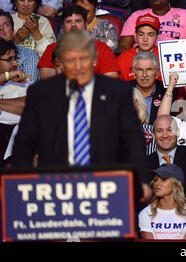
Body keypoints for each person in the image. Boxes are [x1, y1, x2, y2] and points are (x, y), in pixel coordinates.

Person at [11, 30, 148, 205]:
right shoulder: (41, 93)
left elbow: (133, 140)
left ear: (93, 60)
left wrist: (142, 180)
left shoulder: (118, 91)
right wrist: (19, 182)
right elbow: (24, 143)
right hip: (55, 186)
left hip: (106, 184)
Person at [144, 114, 186, 211]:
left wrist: (170, 204)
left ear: (178, 132)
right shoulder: (145, 163)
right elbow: (145, 195)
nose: (165, 135)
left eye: (169, 130)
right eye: (159, 131)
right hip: (155, 215)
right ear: (153, 135)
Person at [37, 6, 120, 79]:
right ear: (63, 26)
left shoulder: (101, 48)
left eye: (78, 21)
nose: (73, 25)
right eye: (69, 21)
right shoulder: (52, 49)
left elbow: (111, 80)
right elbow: (46, 80)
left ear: (86, 24)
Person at [138, 164, 186, 239]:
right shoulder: (145, 213)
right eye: (155, 180)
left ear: (177, 184)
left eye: (163, 179)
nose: (156, 183)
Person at [117, 0, 186, 54]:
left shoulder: (185, 15)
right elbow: (124, 46)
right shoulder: (136, 15)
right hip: (142, 61)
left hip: (174, 60)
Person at [0, 39, 30, 167]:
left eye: (14, 58)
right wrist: (6, 76)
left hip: (9, 137)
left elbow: (28, 107)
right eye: (9, 59)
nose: (15, 63)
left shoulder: (21, 82)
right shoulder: (10, 76)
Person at [117, 14, 160, 82]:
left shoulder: (164, 56)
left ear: (157, 36)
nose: (145, 39)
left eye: (150, 35)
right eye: (141, 34)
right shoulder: (124, 58)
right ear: (135, 35)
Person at [0, 9, 40, 82]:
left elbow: (28, 87)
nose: (1, 29)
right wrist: (9, 75)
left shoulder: (29, 55)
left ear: (13, 31)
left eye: (5, 25)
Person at [132, 51, 169, 125]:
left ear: (157, 73)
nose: (144, 75)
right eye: (140, 70)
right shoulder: (124, 90)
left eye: (149, 69)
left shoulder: (167, 91)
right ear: (134, 73)